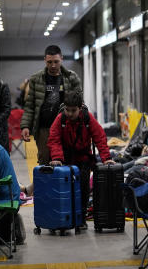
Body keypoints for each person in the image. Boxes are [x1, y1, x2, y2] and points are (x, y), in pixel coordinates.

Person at [44, 90, 114, 228]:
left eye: (73, 110)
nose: (69, 114)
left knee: (83, 188)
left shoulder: (88, 118)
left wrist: (106, 158)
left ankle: (81, 218)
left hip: (83, 159)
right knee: (65, 189)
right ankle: (65, 216)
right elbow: (54, 139)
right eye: (67, 110)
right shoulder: (60, 119)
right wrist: (57, 158)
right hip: (64, 160)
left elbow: (99, 137)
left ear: (80, 108)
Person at [20, 45, 82, 165]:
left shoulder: (71, 77)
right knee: (45, 162)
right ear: (45, 60)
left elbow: (80, 103)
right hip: (44, 129)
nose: (53, 65)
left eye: (56, 61)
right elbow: (30, 106)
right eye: (49, 62)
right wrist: (25, 126)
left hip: (67, 128)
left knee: (67, 161)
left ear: (62, 59)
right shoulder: (36, 79)